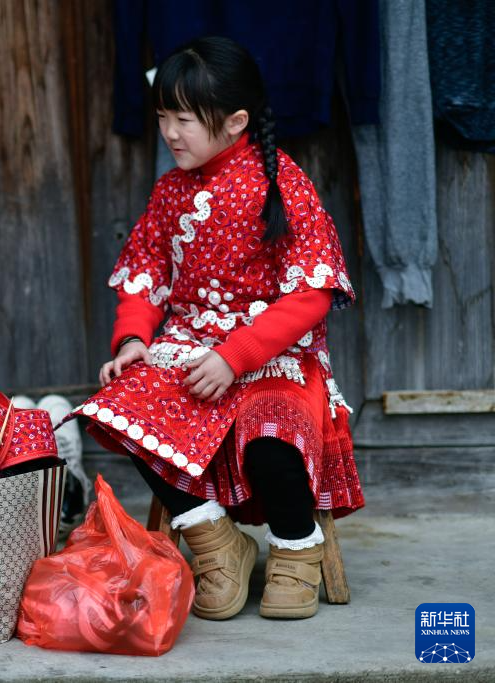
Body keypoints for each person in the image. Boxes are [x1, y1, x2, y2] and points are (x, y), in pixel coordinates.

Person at [69, 36, 364, 621]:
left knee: (272, 429)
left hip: (273, 353)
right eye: (163, 117)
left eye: (184, 120)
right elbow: (144, 275)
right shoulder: (169, 191)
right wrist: (133, 341)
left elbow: (312, 292)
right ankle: (213, 539)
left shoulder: (282, 184)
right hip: (186, 346)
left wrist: (236, 355)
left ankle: (295, 548)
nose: (170, 133)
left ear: (236, 122)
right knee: (121, 405)